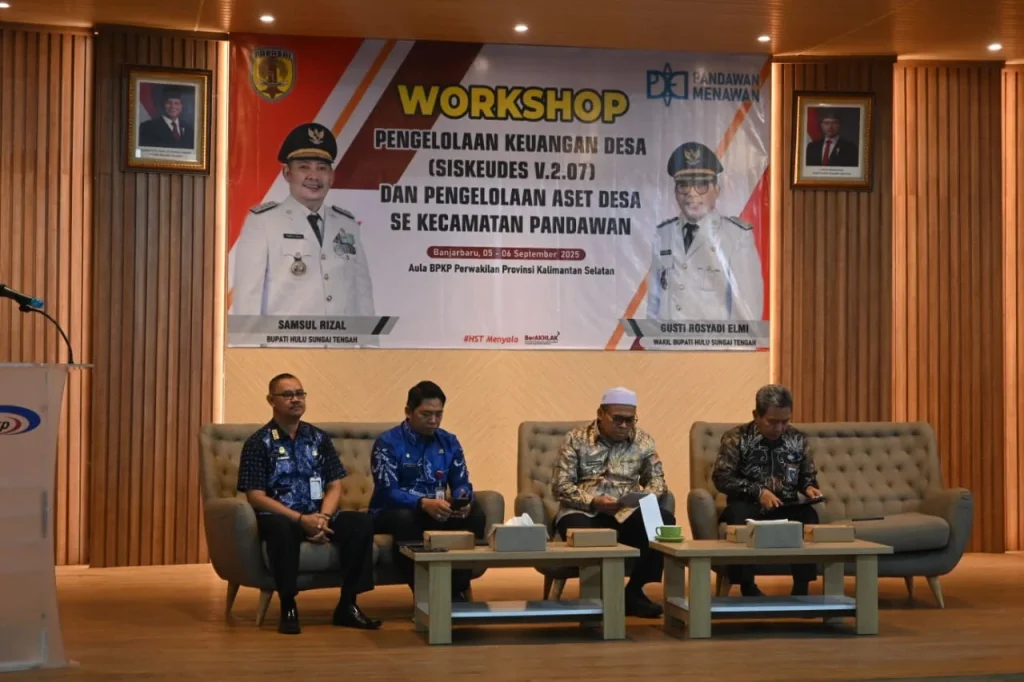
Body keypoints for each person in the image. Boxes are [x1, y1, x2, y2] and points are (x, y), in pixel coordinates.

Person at [236, 373, 381, 634]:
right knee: (281, 529)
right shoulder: (259, 443)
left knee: (360, 523)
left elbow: (335, 485)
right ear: (271, 400)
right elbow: (255, 496)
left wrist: (323, 518)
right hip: (281, 516)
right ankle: (288, 605)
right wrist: (301, 520)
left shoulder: (318, 438)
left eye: (300, 394)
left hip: (319, 515)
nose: (296, 399)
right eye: (287, 395)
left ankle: (348, 604)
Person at [230, 122, 375, 318]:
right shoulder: (263, 223)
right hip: (285, 338)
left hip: (340, 338)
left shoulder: (346, 225)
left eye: (322, 168)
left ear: (331, 176)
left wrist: (367, 338)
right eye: (304, 167)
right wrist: (248, 339)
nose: (314, 176)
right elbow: (248, 299)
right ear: (287, 174)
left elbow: (362, 295)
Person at [550, 387, 671, 618]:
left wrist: (644, 498)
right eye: (617, 419)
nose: (624, 426)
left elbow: (657, 480)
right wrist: (593, 501)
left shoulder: (643, 441)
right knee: (584, 533)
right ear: (600, 414)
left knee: (662, 522)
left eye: (630, 420)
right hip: (583, 511)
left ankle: (633, 592)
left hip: (626, 511)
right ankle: (596, 599)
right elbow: (560, 486)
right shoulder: (575, 439)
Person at [369, 381, 487, 600]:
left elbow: (462, 482)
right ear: (408, 412)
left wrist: (463, 500)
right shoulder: (388, 443)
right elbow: (388, 492)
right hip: (394, 511)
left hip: (438, 509)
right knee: (405, 519)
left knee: (476, 513)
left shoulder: (449, 441)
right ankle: (428, 594)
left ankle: (456, 588)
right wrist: (422, 503)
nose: (433, 421)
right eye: (426, 414)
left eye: (438, 414)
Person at [711, 383, 824, 597]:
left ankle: (802, 588)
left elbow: (807, 476)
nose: (779, 428)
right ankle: (747, 586)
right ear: (756, 415)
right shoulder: (736, 438)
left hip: (787, 505)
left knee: (809, 516)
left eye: (785, 421)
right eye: (772, 422)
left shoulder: (797, 438)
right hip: (748, 505)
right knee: (737, 518)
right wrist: (758, 491)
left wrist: (809, 487)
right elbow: (721, 478)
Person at [646, 141, 764, 322]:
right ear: (675, 192)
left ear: (717, 190)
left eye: (701, 185)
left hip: (711, 341)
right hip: (668, 340)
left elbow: (748, 314)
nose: (691, 193)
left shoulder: (737, 237)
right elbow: (654, 305)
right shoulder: (663, 234)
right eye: (683, 185)